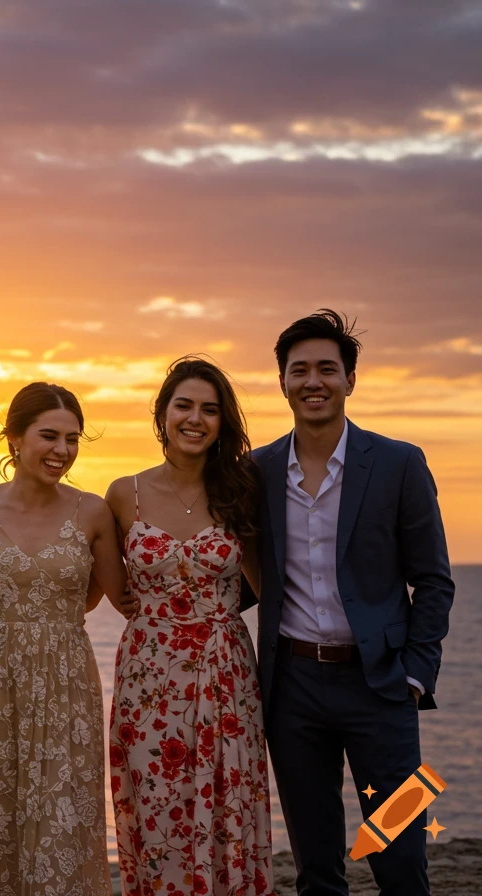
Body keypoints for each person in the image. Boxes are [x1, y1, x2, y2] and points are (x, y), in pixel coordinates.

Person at [243, 310, 453, 896]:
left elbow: (434, 580)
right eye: (299, 369)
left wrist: (416, 674)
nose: (314, 381)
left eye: (327, 369)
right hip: (293, 690)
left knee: (402, 858)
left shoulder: (398, 463)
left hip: (382, 686)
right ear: (282, 381)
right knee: (316, 866)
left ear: (350, 380)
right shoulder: (256, 470)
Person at [0, 382, 128, 896]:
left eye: (73, 439)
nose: (62, 451)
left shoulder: (92, 511)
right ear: (14, 438)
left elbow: (117, 598)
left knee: (61, 824)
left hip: (67, 686)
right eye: (49, 436)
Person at [105, 357, 273, 896]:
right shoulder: (121, 494)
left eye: (210, 409)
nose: (195, 418)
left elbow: (270, 586)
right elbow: (106, 586)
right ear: (162, 414)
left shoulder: (241, 489)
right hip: (147, 676)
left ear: (223, 422)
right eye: (184, 405)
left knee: (228, 802)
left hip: (225, 673)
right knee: (156, 805)